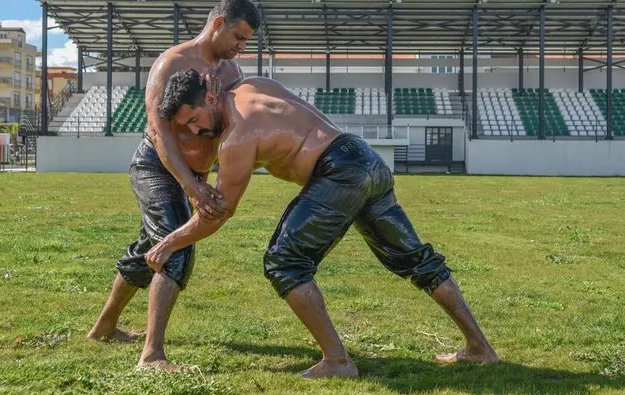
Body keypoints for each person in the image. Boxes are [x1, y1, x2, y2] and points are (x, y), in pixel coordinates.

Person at [146, 69, 499, 378]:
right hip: (365, 158)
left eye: (194, 119)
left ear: (210, 95)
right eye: (187, 127)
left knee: (285, 262)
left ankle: (337, 360)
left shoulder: (236, 139)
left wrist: (167, 243)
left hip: (339, 171)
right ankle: (479, 347)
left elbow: (219, 214)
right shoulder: (254, 85)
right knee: (417, 259)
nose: (196, 129)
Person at [86, 0, 261, 373]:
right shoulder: (172, 63)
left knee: (148, 248)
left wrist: (209, 180)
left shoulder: (232, 73)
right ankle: (152, 356)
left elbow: (228, 131)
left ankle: (103, 327)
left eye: (246, 41)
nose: (240, 46)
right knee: (174, 247)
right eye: (238, 36)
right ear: (218, 23)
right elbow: (159, 131)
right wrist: (192, 187)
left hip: (194, 177)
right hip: (156, 166)